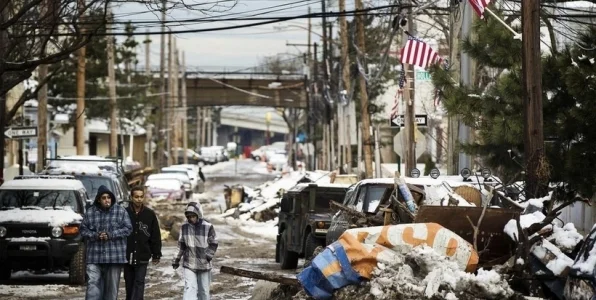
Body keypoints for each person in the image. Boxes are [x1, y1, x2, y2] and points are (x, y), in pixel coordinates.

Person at [80, 185, 132, 300]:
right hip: (94, 257)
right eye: (104, 197)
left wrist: (111, 234)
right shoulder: (90, 212)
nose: (107, 200)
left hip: (114, 257)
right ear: (99, 199)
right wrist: (95, 235)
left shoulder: (120, 211)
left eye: (109, 197)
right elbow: (83, 230)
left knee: (111, 290)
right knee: (92, 284)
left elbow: (128, 228)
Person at [172, 202, 218, 300]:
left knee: (204, 291)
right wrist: (175, 259)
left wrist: (208, 256)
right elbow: (181, 245)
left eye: (193, 216)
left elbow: (213, 243)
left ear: (198, 214)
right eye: (189, 217)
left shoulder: (208, 226)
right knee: (189, 288)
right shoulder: (184, 227)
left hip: (204, 264)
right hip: (189, 263)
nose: (191, 219)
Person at [124, 186, 162, 300]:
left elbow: (155, 235)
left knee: (140, 282)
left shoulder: (149, 214)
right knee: (129, 284)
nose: (139, 199)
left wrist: (156, 254)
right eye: (136, 197)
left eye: (141, 197)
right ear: (131, 197)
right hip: (127, 255)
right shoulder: (124, 213)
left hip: (143, 254)